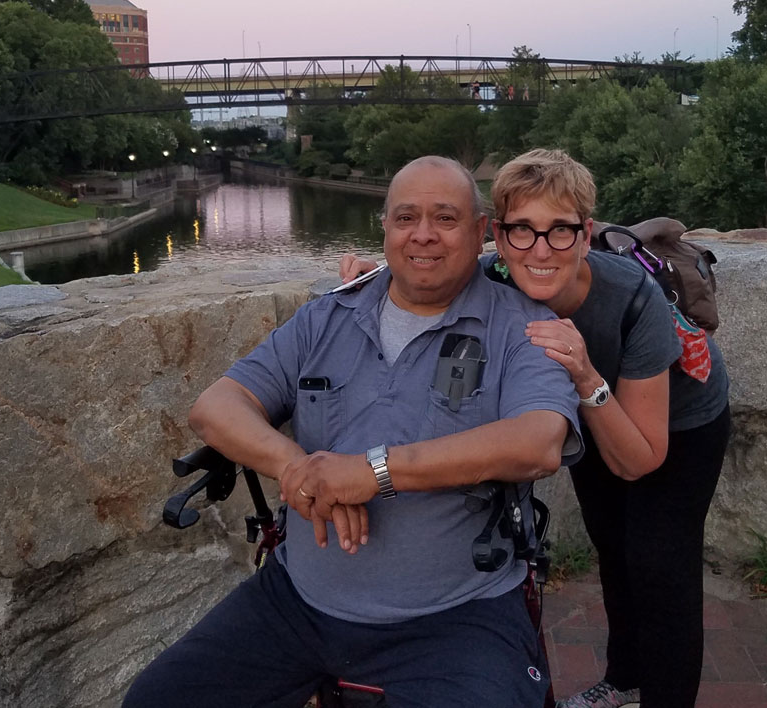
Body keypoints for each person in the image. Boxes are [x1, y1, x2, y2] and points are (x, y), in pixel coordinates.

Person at [125, 156, 583, 708]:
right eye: (406, 217)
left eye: (445, 219)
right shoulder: (328, 316)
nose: (423, 235)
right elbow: (216, 406)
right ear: (384, 227)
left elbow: (538, 442)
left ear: (481, 231)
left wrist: (373, 472)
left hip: (454, 616)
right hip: (298, 600)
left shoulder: (523, 326)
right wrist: (297, 468)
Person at [341, 149, 731, 708]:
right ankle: (623, 679)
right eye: (522, 230)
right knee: (612, 545)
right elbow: (430, 270)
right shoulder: (496, 270)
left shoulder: (631, 299)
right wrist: (375, 277)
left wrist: (586, 374)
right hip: (592, 406)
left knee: (660, 565)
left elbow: (639, 459)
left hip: (681, 420)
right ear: (496, 234)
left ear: (585, 231)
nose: (541, 250)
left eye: (560, 231)